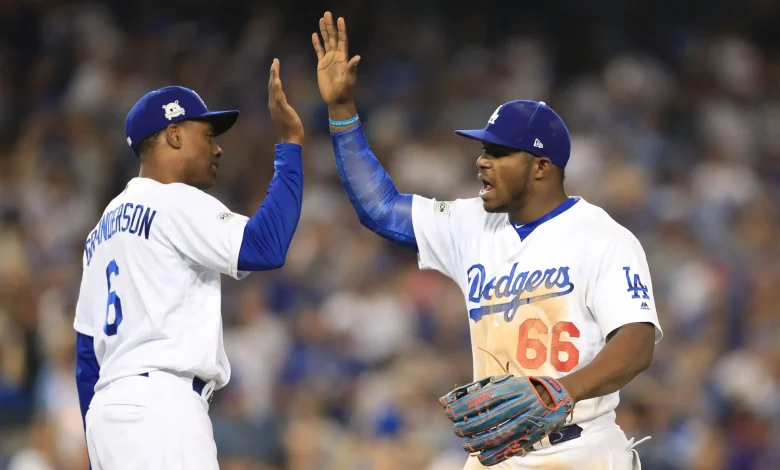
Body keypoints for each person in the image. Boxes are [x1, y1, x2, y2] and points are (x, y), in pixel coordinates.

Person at [312, 11, 662, 470]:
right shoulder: (470, 224)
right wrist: (341, 110)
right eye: (483, 149)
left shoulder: (603, 238)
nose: (482, 161)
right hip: (498, 454)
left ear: (541, 167)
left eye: (499, 152)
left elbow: (637, 342)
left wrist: (561, 391)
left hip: (580, 449)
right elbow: (380, 208)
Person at [73, 59, 304, 470]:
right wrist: (290, 143)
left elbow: (87, 358)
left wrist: (98, 442)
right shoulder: (171, 199)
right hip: (163, 406)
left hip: (108, 417)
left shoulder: (100, 232)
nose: (217, 148)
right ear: (174, 134)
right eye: (207, 135)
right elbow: (266, 246)